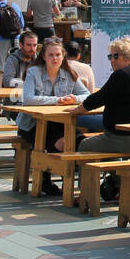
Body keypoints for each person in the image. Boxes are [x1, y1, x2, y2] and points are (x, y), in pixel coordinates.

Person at [16, 37, 89, 195]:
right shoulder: (33, 72)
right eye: (51, 55)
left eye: (58, 55)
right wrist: (57, 100)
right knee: (62, 141)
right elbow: (28, 99)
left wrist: (73, 98)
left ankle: (72, 184)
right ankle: (47, 179)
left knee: (76, 140)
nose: (55, 58)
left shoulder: (69, 73)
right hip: (31, 124)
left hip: (59, 123)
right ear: (44, 56)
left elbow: (87, 95)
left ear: (63, 56)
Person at [73, 38, 130, 157]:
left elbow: (97, 99)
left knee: (84, 145)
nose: (112, 60)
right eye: (110, 57)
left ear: (129, 58)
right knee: (107, 145)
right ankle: (114, 175)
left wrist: (77, 110)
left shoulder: (122, 75)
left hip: (129, 140)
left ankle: (84, 175)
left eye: (116, 56)